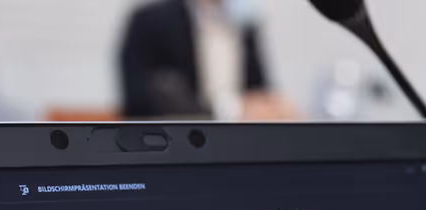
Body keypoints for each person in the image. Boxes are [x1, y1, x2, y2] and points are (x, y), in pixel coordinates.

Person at [118, 0, 296, 120]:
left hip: (238, 146)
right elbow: (145, 98)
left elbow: (258, 90)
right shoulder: (151, 21)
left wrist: (274, 106)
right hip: (178, 149)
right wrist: (232, 110)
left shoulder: (244, 25)